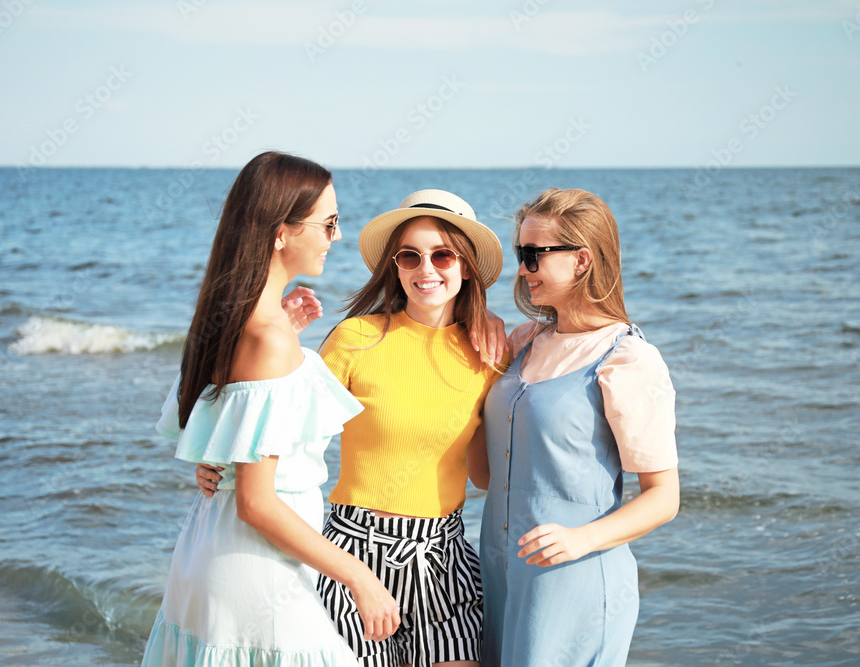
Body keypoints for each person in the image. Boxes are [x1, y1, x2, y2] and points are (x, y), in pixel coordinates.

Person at [198, 189, 504, 667]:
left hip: (445, 560)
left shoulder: (490, 353)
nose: (427, 269)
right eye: (410, 256)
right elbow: (276, 411)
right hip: (353, 552)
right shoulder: (355, 338)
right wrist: (215, 455)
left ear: (466, 266)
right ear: (395, 267)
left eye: (443, 254)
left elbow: (486, 474)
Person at [141, 151, 399, 667]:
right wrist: (359, 576)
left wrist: (284, 341)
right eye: (328, 224)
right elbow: (256, 503)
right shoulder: (268, 338)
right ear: (281, 232)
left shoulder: (231, 322)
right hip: (255, 572)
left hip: (207, 553)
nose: (337, 237)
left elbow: (215, 437)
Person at [473, 188, 680, 667]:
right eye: (520, 255)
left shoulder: (628, 359)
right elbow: (487, 475)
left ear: (582, 260)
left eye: (533, 256)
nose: (522, 271)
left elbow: (664, 497)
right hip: (499, 573)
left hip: (574, 577)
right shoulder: (525, 341)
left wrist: (580, 539)